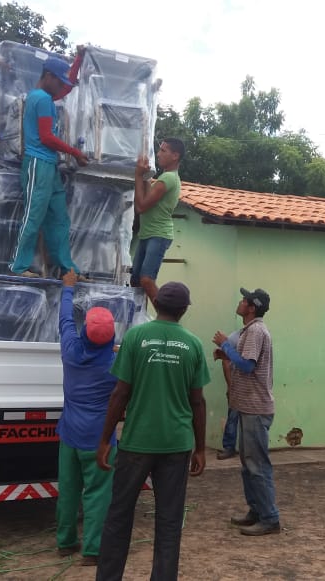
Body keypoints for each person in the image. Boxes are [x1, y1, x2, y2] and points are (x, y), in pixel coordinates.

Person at [95, 282, 209, 581]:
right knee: (170, 520)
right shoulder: (194, 345)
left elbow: (120, 393)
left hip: (137, 443)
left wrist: (105, 439)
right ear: (184, 310)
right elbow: (197, 401)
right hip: (176, 444)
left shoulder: (136, 337)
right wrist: (200, 448)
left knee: (119, 515)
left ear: (156, 304)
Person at [55, 269, 117, 566]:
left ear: (85, 331)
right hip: (99, 439)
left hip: (69, 434)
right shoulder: (115, 365)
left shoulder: (70, 351)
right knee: (98, 494)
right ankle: (92, 551)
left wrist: (68, 288)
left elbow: (65, 320)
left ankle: (65, 542)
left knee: (68, 490)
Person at [10, 51, 89, 278]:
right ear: (48, 76)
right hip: (38, 164)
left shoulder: (43, 96)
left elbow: (67, 87)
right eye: (59, 81)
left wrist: (78, 60)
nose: (61, 87)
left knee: (59, 218)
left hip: (49, 165)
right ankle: (18, 266)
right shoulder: (43, 99)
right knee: (33, 216)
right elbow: (46, 137)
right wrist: (75, 152)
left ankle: (67, 269)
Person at [212, 288, 280, 536]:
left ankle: (269, 518)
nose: (240, 302)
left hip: (255, 408)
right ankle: (257, 511)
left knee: (257, 465)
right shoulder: (250, 331)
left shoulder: (255, 331)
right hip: (248, 406)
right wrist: (226, 353)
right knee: (248, 464)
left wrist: (225, 345)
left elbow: (247, 365)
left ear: (251, 308)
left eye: (244, 300)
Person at [131, 138, 184, 301]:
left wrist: (138, 176)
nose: (158, 154)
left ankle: (166, 313)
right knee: (135, 281)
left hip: (158, 235)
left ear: (175, 156)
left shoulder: (167, 179)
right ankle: (140, 314)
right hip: (147, 234)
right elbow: (148, 197)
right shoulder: (165, 178)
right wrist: (146, 178)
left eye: (163, 150)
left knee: (146, 280)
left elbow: (141, 206)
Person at [214, 329, 241, 460]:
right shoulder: (234, 337)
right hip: (237, 385)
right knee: (233, 417)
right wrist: (231, 387)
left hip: (250, 387)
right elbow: (225, 362)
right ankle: (229, 447)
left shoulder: (256, 335)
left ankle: (248, 448)